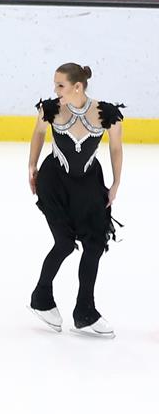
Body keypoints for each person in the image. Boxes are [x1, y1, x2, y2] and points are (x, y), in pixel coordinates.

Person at [26, 63, 125, 338]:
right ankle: (41, 297)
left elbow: (116, 148)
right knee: (65, 243)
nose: (55, 91)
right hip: (54, 183)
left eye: (60, 86)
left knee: (94, 244)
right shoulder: (50, 109)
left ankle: (85, 311)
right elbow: (38, 134)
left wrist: (116, 182)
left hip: (89, 186)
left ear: (77, 87)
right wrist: (31, 167)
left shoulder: (107, 114)